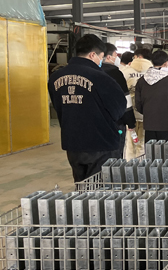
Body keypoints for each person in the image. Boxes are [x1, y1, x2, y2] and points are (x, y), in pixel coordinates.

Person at [48, 34, 126, 182]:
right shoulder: (101, 78)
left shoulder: (55, 77)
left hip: (72, 142)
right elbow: (118, 109)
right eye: (101, 57)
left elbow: (58, 106)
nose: (101, 61)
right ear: (92, 55)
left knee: (81, 186)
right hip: (101, 143)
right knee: (100, 189)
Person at [134, 50, 168, 142]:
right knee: (167, 150)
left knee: (151, 150)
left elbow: (138, 103)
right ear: (166, 63)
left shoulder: (142, 80)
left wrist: (148, 113)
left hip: (149, 124)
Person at [102, 43, 137, 156]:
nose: (117, 58)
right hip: (116, 122)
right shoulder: (115, 73)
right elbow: (125, 100)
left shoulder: (91, 72)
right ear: (109, 57)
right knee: (115, 154)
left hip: (97, 122)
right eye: (115, 55)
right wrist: (130, 122)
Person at [121, 48, 153, 159]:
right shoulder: (153, 72)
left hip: (129, 112)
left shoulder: (125, 72)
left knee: (130, 142)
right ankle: (141, 165)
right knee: (143, 142)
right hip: (147, 112)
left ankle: (129, 165)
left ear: (137, 57)